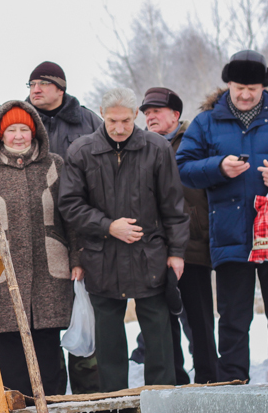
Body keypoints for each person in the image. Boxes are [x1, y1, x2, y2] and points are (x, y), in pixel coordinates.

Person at [176, 50, 268, 385]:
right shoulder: (207, 120)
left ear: (263, 87)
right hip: (230, 235)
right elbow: (183, 167)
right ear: (228, 83)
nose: (244, 94)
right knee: (233, 318)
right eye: (239, 86)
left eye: (252, 88)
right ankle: (234, 383)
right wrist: (218, 167)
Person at [59, 88, 189, 392]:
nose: (119, 128)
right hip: (101, 255)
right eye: (112, 120)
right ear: (102, 114)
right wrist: (108, 226)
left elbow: (174, 206)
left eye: (126, 121)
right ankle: (113, 400)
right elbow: (69, 205)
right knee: (108, 339)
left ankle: (162, 398)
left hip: (150, 255)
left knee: (158, 333)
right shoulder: (81, 151)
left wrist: (177, 251)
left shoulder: (157, 148)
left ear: (136, 117)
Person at [0, 102, 81, 395]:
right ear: (0, 135)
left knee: (47, 348)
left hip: (49, 272)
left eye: (24, 129)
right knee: (9, 349)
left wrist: (78, 258)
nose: (18, 136)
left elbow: (72, 217)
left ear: (35, 133)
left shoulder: (55, 165)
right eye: (11, 130)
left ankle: (53, 407)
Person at [25, 61, 103, 394]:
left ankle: (91, 390)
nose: (35, 90)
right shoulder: (22, 121)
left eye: (42, 83)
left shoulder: (88, 120)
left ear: (60, 87)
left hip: (84, 222)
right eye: (31, 85)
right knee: (45, 312)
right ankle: (50, 391)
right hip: (40, 227)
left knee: (87, 308)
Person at [138, 88, 219, 383]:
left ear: (175, 114)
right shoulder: (142, 146)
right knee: (163, 318)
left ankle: (210, 377)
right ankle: (175, 379)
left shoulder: (195, 141)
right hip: (154, 248)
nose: (150, 117)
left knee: (199, 317)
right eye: (146, 113)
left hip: (193, 244)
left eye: (156, 111)